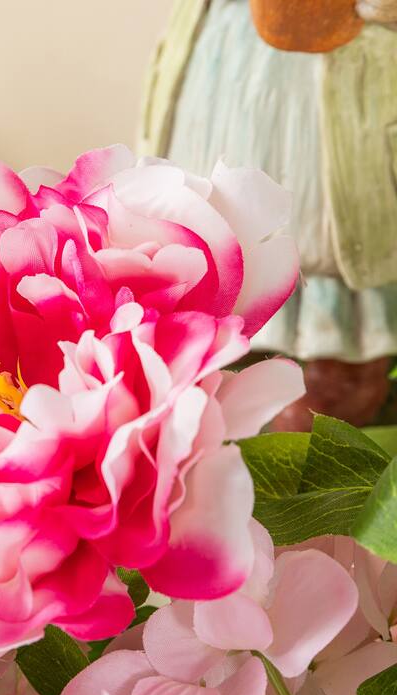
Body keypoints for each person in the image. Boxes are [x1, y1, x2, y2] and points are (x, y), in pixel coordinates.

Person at [139, 0, 397, 430]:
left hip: (347, 66)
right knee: (220, 233)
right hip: (230, 59)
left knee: (343, 234)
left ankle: (339, 377)